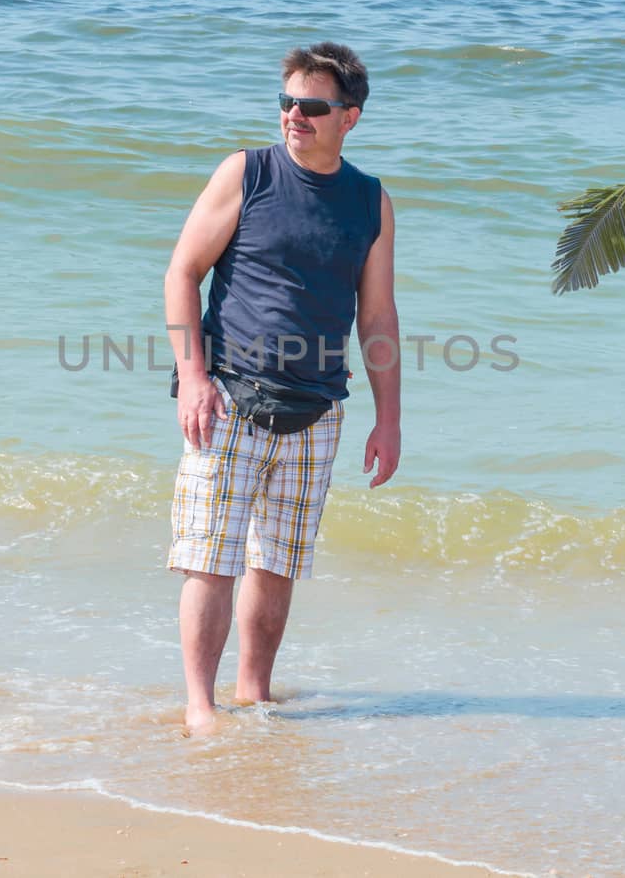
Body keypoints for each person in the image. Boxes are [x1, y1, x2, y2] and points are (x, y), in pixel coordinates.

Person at [163, 41, 400, 733]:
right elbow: (182, 272)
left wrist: (387, 421)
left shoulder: (369, 201)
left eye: (313, 105)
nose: (295, 115)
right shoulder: (247, 173)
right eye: (287, 101)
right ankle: (200, 705)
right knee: (210, 558)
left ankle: (252, 693)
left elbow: (377, 314)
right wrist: (193, 378)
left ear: (348, 117)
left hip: (319, 409)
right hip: (229, 397)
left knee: (279, 562)